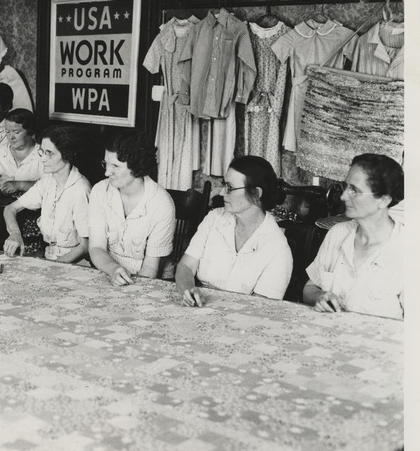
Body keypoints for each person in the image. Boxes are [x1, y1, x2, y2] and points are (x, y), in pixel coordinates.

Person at [176, 156, 292, 306]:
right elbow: (186, 266)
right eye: (224, 185)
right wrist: (189, 290)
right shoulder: (214, 219)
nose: (222, 192)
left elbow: (262, 308)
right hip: (198, 308)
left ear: (256, 193)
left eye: (230, 187)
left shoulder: (277, 249)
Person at [303, 154, 404, 319]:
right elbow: (309, 288)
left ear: (383, 200)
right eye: (345, 187)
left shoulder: (408, 249)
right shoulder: (337, 233)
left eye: (354, 190)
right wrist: (319, 297)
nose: (343, 197)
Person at [88, 131, 176, 285]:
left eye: (115, 166)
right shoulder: (100, 191)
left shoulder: (162, 205)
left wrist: (129, 293)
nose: (107, 172)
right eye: (105, 164)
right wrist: (114, 269)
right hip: (109, 272)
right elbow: (96, 247)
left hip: (149, 280)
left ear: (136, 166)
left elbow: (150, 267)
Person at [3, 126, 91, 263]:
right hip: (49, 257)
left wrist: (53, 267)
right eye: (42, 152)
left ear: (67, 154)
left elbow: (85, 246)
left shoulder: (80, 190)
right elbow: (10, 209)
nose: (43, 158)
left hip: (76, 264)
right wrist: (15, 234)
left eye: (49, 153)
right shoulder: (48, 182)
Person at [0, 108, 43, 195]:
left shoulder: (44, 155)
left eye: (16, 132)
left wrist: (20, 185)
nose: (11, 137)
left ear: (31, 131)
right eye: (7, 132)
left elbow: (53, 185)